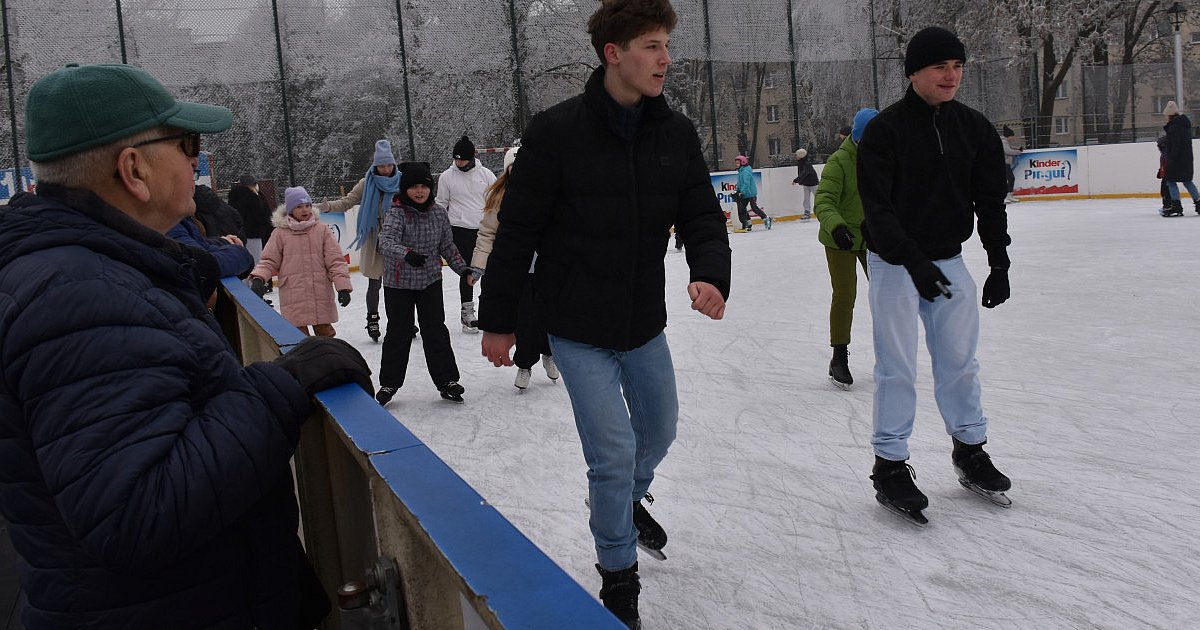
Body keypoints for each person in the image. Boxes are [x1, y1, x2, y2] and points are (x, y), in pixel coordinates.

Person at [0, 62, 373, 629]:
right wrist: (280, 387)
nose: (197, 162)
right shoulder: (82, 297)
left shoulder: (88, 272)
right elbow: (135, 514)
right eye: (186, 145)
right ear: (134, 169)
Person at [477, 1, 731, 626]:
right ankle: (618, 572)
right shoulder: (555, 132)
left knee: (659, 432)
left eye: (667, 44)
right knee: (612, 454)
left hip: (643, 322)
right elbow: (518, 231)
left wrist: (710, 272)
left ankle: (621, 501)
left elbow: (701, 213)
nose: (665, 59)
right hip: (576, 327)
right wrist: (498, 320)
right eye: (652, 45)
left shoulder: (675, 134)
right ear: (614, 53)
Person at [856, 27, 1013, 523]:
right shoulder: (885, 131)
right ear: (913, 73)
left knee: (959, 362)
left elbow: (989, 201)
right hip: (893, 263)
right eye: (940, 66)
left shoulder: (974, 128)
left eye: (958, 66)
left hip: (948, 260)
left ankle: (970, 450)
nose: (951, 75)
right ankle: (889, 464)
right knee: (897, 366)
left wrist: (999, 262)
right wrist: (913, 262)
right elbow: (878, 210)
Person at [375, 162, 472, 405]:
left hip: (430, 281)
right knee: (398, 332)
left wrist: (463, 269)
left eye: (424, 186)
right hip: (399, 284)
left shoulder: (438, 213)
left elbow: (447, 245)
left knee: (435, 330)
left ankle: (447, 381)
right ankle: (389, 383)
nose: (419, 191)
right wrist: (406, 254)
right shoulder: (397, 212)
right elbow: (385, 242)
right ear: (405, 189)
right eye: (414, 187)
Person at [468, 146, 560, 390]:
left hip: (546, 270)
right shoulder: (499, 197)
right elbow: (487, 233)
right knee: (524, 320)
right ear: (507, 170)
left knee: (548, 317)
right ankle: (525, 364)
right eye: (513, 167)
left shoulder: (547, 193)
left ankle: (549, 354)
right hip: (516, 272)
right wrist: (478, 266)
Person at [814, 107, 876, 390]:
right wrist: (837, 227)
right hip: (839, 238)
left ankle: (890, 352)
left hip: (873, 237)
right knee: (845, 294)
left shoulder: (884, 156)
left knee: (886, 295)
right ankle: (839, 356)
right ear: (858, 137)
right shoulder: (838, 162)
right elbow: (824, 201)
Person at [320, 139, 401, 340]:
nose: (385, 169)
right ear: (375, 165)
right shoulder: (367, 183)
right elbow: (348, 201)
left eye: (388, 165)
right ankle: (372, 319)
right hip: (374, 237)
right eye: (381, 165)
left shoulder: (402, 181)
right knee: (375, 282)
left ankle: (402, 320)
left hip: (398, 237)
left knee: (398, 284)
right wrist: (329, 207)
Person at [249, 186, 353, 337]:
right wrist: (259, 278)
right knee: (299, 337)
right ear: (290, 209)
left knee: (325, 335)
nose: (305, 210)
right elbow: (269, 260)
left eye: (307, 205)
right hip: (293, 293)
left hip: (319, 292)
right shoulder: (280, 233)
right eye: (299, 206)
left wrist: (343, 287)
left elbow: (335, 261)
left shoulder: (322, 230)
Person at [436, 135, 497, 334]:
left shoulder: (486, 175)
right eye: (456, 159)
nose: (459, 163)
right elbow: (441, 204)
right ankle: (467, 311)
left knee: (489, 270)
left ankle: (488, 308)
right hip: (459, 230)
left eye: (462, 159)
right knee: (467, 271)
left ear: (471, 158)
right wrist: (441, 229)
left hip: (484, 230)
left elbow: (495, 201)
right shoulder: (447, 177)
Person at [168, 214, 253, 279]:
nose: (192, 196)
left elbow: (201, 247)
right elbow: (204, 264)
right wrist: (241, 252)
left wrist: (224, 242)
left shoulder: (175, 222)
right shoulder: (171, 224)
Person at [1160, 100, 1197, 217]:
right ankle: (1198, 202)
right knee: (1187, 181)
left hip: (1176, 159)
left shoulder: (1174, 127)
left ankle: (1176, 206)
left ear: (1170, 115)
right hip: (1187, 158)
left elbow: (1175, 145)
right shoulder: (1184, 124)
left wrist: (1171, 160)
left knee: (1170, 181)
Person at [229, 174, 274, 262]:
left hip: (239, 234)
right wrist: (269, 227)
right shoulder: (254, 197)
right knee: (256, 260)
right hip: (255, 233)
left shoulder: (233, 197)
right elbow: (262, 216)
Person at [733, 154, 772, 231]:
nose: (736, 164)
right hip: (745, 194)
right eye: (736, 163)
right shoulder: (741, 172)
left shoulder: (745, 172)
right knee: (742, 209)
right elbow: (739, 183)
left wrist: (742, 192)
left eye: (738, 163)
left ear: (743, 162)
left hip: (750, 193)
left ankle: (766, 218)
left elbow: (746, 183)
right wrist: (737, 190)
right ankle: (748, 222)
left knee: (754, 208)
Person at [791, 148, 819, 219]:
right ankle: (807, 213)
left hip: (813, 183)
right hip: (806, 183)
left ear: (801, 156)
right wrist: (801, 181)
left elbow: (804, 173)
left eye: (797, 155)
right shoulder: (800, 162)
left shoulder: (807, 163)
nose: (796, 156)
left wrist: (797, 180)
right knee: (806, 199)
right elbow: (801, 173)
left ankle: (823, 210)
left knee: (818, 197)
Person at [999, 126, 1022, 203]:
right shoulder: (1004, 141)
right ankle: (1006, 196)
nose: (1013, 138)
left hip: (1004, 163)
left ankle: (1008, 195)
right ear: (1008, 136)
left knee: (1010, 179)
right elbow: (1008, 151)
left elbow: (1010, 147)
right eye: (1012, 136)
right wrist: (1018, 152)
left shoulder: (1004, 141)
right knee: (1010, 178)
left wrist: (1017, 148)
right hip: (1003, 163)